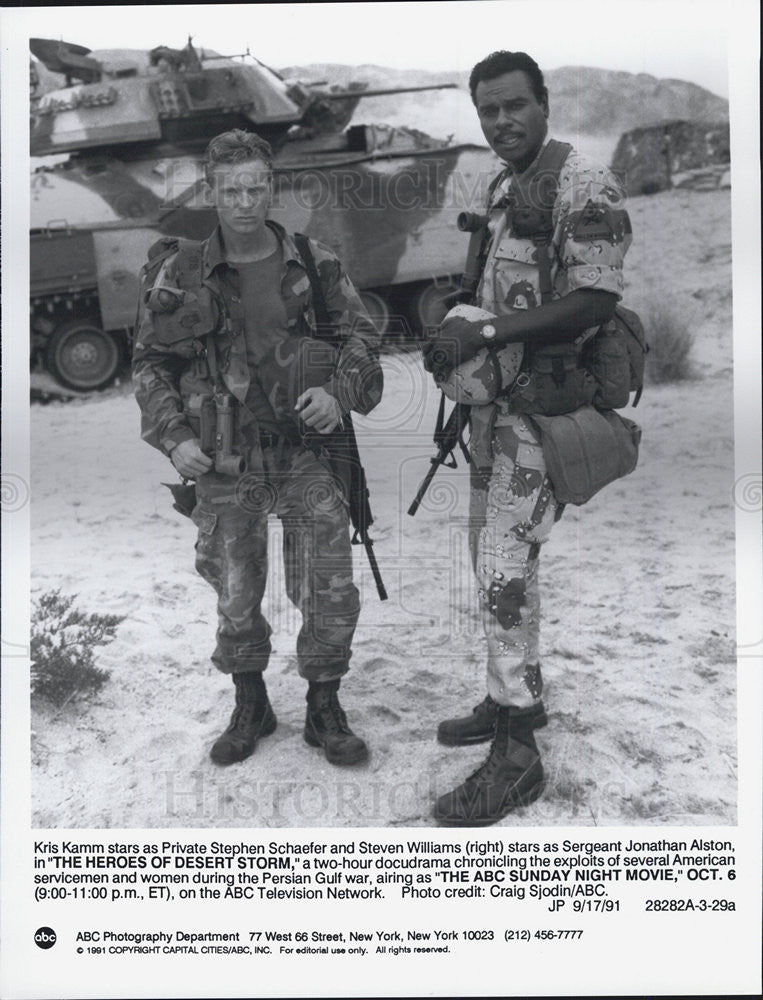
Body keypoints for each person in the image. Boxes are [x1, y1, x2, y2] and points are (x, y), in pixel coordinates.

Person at [424, 51, 632, 826]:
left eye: (514, 105)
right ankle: (511, 697)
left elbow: (593, 298)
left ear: (544, 102)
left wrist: (488, 332)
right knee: (494, 563)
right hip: (494, 412)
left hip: (540, 415)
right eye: (487, 111)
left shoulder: (584, 183)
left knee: (504, 574)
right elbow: (495, 284)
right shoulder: (504, 184)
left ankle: (516, 757)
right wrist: (456, 316)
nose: (501, 121)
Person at [132, 129, 383, 768]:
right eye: (230, 190)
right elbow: (150, 363)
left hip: (306, 452)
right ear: (212, 191)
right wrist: (174, 436)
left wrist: (337, 392)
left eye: (256, 188)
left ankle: (324, 706)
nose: (244, 202)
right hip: (222, 459)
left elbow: (361, 339)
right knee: (235, 589)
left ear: (271, 187)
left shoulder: (312, 260)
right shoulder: (181, 271)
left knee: (327, 584)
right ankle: (250, 701)